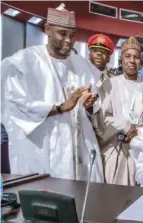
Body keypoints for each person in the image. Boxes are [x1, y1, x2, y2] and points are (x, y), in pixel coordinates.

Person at [1, 7, 103, 182]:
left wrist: (88, 106)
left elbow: (92, 105)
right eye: (62, 34)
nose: (68, 41)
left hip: (78, 146)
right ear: (47, 29)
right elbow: (15, 105)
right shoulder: (23, 62)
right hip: (43, 146)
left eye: (72, 35)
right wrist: (60, 107)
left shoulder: (82, 65)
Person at [91, 37, 143, 185]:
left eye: (136, 57)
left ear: (141, 61)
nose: (132, 61)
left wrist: (139, 131)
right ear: (121, 59)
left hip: (142, 147)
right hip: (114, 147)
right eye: (127, 56)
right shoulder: (109, 84)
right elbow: (102, 116)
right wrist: (125, 127)